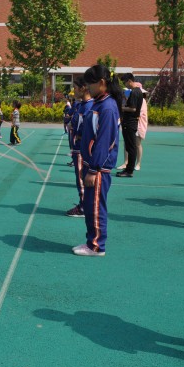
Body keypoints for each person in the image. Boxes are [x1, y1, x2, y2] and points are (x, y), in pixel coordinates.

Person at [72, 65, 121, 257]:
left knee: (96, 207)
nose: (87, 88)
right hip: (90, 164)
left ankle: (97, 245)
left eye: (90, 84)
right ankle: (91, 240)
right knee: (90, 205)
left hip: (98, 168)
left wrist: (94, 169)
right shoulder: (98, 104)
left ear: (101, 83)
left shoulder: (107, 107)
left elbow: (104, 141)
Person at [66, 77, 94, 218]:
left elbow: (89, 129)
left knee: (82, 179)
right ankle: (84, 204)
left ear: (83, 88)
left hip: (82, 149)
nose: (74, 91)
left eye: (75, 88)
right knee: (79, 178)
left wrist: (80, 136)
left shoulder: (90, 106)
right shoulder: (81, 105)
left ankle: (84, 206)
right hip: (78, 147)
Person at [116, 73, 142, 178]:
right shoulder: (135, 92)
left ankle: (129, 170)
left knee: (131, 147)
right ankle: (128, 169)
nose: (125, 84)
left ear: (130, 81)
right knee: (129, 146)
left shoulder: (135, 92)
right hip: (130, 122)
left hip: (130, 122)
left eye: (125, 82)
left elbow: (133, 108)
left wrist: (121, 107)